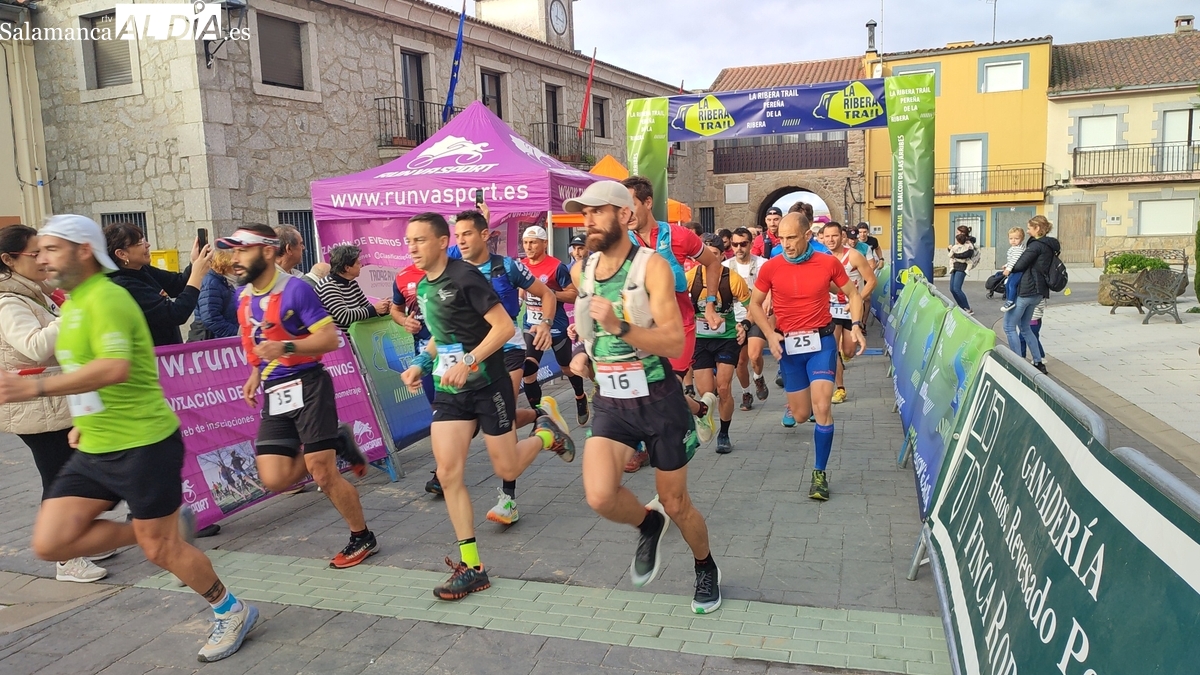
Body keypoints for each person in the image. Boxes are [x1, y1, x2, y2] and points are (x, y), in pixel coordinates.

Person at [0, 215, 256, 662]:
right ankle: (150, 532)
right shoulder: (75, 302)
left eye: (51, 249)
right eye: (38, 251)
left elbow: (115, 367)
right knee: (51, 542)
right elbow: (86, 367)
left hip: (143, 442)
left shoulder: (109, 298)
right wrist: (82, 414)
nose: (42, 258)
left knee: (163, 551)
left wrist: (34, 387)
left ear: (83, 250)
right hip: (96, 444)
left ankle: (230, 609)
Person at [564, 181, 722, 614]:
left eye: (597, 212)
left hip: (658, 399)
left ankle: (705, 566)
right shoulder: (584, 270)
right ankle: (648, 524)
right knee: (599, 495)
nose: (588, 221)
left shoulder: (651, 267)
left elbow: (673, 342)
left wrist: (621, 328)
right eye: (584, 214)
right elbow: (586, 325)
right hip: (612, 401)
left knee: (677, 501)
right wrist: (581, 353)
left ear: (625, 216)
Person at [398, 212, 574, 600]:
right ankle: (473, 566)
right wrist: (420, 364)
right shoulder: (424, 289)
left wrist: (470, 361)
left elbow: (504, 328)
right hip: (451, 390)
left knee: (506, 466)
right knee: (447, 473)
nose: (412, 247)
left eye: (420, 240)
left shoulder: (465, 278)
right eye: (408, 240)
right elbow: (440, 338)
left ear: (442, 242)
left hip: (487, 383)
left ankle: (545, 433)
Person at [221, 225, 376, 568]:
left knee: (321, 471)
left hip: (309, 384)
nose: (235, 259)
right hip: (274, 390)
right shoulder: (243, 297)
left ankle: (361, 535)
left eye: (241, 250)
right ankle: (337, 438)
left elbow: (330, 340)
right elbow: (256, 342)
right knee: (275, 478)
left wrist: (286, 346)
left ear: (266, 251)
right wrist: (253, 373)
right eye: (233, 252)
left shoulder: (296, 291)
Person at [0, 224, 111, 583]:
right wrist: (73, 312)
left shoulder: (36, 292)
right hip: (34, 408)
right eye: (36, 254)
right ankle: (66, 557)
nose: (44, 260)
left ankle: (79, 539)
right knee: (58, 478)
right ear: (9, 260)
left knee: (73, 472)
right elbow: (33, 346)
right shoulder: (8, 301)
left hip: (53, 402)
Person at [450, 209, 566, 525]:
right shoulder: (453, 266)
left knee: (504, 416)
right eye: (457, 235)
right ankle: (543, 418)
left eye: (468, 234)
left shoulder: (507, 267)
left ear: (485, 235)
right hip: (471, 354)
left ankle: (508, 500)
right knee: (496, 418)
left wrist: (543, 322)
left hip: (508, 348)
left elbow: (546, 295)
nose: (460, 241)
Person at [748, 212, 867, 501]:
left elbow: (853, 294)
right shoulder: (771, 267)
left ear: (807, 236)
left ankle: (819, 473)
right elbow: (754, 304)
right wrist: (770, 333)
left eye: (792, 238)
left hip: (822, 342)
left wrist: (855, 325)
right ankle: (810, 405)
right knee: (801, 415)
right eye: (782, 238)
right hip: (789, 347)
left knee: (823, 406)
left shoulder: (827, 263)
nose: (786, 244)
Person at [622, 176, 721, 472]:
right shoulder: (619, 242)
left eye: (629, 206)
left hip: (680, 327)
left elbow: (713, 264)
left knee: (665, 389)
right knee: (644, 391)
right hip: (640, 331)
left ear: (647, 202)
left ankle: (667, 445)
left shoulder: (678, 236)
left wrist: (711, 303)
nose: (623, 213)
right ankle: (700, 409)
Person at [519, 225, 589, 425]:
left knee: (566, 367)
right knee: (529, 372)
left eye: (533, 242)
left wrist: (548, 293)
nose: (529, 247)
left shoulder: (555, 266)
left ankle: (579, 395)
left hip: (555, 325)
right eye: (525, 242)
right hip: (531, 325)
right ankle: (541, 417)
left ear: (544, 243)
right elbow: (519, 293)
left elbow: (573, 294)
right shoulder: (521, 266)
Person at [688, 234, 751, 454]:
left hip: (726, 339)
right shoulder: (690, 277)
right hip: (700, 340)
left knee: (723, 388)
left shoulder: (732, 279)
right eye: (705, 255)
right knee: (707, 393)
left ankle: (724, 433)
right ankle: (706, 419)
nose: (708, 260)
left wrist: (745, 325)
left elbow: (753, 305)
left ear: (722, 256)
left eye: (714, 255)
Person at [105, 222, 212, 347]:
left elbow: (177, 284)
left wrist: (194, 263)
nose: (147, 245)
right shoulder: (123, 285)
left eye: (145, 240)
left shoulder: (142, 270)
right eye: (140, 243)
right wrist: (197, 275)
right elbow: (175, 313)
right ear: (121, 254)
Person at [819, 223, 876, 405]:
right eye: (827, 236)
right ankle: (840, 388)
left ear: (842, 237)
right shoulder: (821, 258)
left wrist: (857, 300)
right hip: (832, 309)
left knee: (849, 351)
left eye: (834, 236)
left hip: (852, 308)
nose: (830, 240)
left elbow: (871, 281)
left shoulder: (853, 256)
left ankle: (844, 355)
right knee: (832, 350)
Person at [1005, 216, 1058, 374]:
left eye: (1029, 228)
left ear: (1037, 229)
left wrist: (1008, 268)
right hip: (1039, 292)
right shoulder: (1050, 245)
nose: (1027, 231)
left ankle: (1017, 363)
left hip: (1027, 290)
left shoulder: (1036, 246)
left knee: (1008, 326)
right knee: (1026, 327)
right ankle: (1038, 362)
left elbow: (1020, 264)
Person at [724, 227, 770, 411]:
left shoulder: (763, 264)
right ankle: (746, 392)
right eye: (735, 244)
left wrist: (767, 301)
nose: (739, 248)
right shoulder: (726, 267)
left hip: (756, 316)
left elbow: (770, 289)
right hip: (735, 318)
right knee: (740, 362)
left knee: (755, 355)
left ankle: (758, 377)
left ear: (751, 244)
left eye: (743, 244)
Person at [316, 244, 390, 332]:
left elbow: (367, 308)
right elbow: (344, 317)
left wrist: (384, 309)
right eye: (358, 263)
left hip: (355, 339)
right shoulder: (328, 286)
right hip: (340, 342)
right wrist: (374, 309)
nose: (361, 265)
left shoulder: (352, 284)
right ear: (347, 268)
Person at [196, 249, 239, 339]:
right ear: (225, 265)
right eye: (234, 265)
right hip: (217, 343)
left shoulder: (231, 281)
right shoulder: (211, 283)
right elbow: (210, 318)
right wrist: (237, 333)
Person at [947, 226, 977, 314]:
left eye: (958, 232)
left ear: (962, 233)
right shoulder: (959, 240)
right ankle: (962, 308)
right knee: (952, 288)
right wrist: (950, 250)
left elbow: (967, 254)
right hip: (955, 266)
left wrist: (954, 255)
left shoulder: (968, 243)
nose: (956, 233)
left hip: (962, 267)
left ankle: (967, 308)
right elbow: (954, 251)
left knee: (956, 288)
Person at [1000, 227, 1026, 312]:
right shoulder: (1014, 248)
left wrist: (1008, 268)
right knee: (1008, 284)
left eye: (1016, 238)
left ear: (1022, 239)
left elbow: (1015, 259)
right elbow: (1012, 260)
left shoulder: (1018, 248)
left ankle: (1011, 301)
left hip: (1018, 270)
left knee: (1012, 284)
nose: (1013, 241)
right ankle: (1009, 299)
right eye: (1011, 238)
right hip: (1014, 269)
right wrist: (1007, 265)